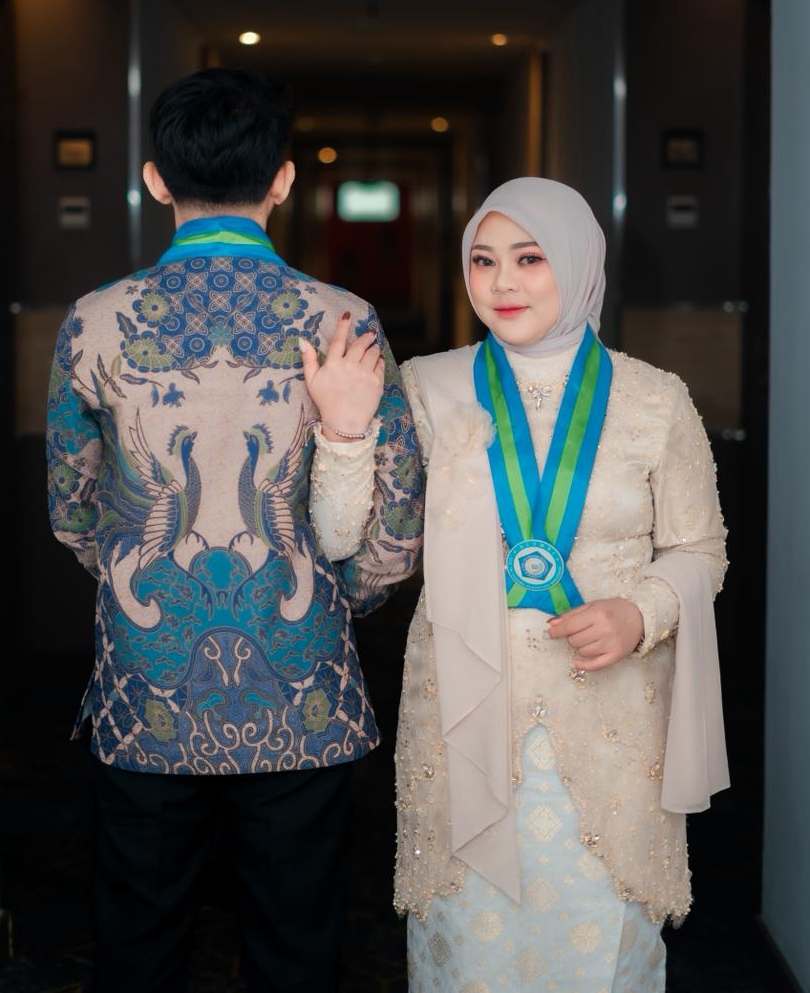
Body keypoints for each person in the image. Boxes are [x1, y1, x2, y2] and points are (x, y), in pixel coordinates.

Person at [46, 67, 424, 993]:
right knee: (296, 941)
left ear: (154, 180)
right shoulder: (345, 320)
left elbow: (72, 508)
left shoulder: (94, 322)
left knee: (138, 936)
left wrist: (140, 578)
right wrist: (336, 602)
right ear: (284, 180)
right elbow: (396, 521)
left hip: (147, 681)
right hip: (301, 681)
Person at [304, 177, 729, 992]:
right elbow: (341, 538)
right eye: (484, 260)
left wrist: (640, 612)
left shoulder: (654, 399)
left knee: (600, 945)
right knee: (472, 948)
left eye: (530, 259)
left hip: (615, 717)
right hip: (463, 708)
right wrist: (346, 431)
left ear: (578, 260)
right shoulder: (427, 387)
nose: (502, 283)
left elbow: (700, 548)